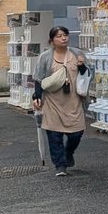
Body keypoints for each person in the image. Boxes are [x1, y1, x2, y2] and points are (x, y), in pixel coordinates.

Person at [32, 26, 88, 177]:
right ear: (52, 41)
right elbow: (38, 79)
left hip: (73, 100)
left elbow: (87, 75)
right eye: (59, 36)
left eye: (65, 35)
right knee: (54, 134)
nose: (63, 38)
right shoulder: (45, 57)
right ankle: (60, 165)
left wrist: (82, 66)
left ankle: (68, 152)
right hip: (52, 101)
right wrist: (37, 96)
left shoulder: (77, 54)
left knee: (76, 133)